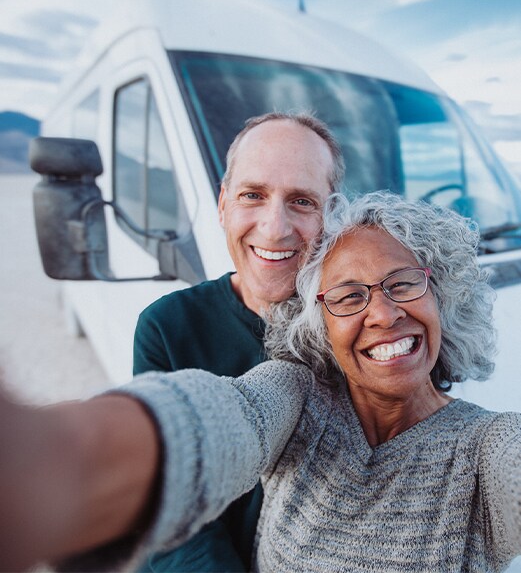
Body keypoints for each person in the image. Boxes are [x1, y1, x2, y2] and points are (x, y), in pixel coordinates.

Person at [2, 192, 520, 572]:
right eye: (347, 296)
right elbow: (216, 422)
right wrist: (59, 460)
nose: (383, 314)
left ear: (440, 296)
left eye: (402, 283)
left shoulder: (488, 449)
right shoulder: (296, 396)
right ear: (321, 326)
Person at [132, 110, 344, 571]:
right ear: (224, 202)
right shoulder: (168, 326)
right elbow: (168, 508)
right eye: (253, 195)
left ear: (332, 214)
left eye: (302, 201)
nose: (274, 227)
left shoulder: (359, 328)